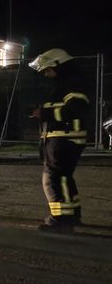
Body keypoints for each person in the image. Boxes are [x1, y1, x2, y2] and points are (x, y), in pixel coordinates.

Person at [29, 48, 89, 233]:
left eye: (48, 70)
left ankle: (61, 220)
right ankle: (72, 215)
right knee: (64, 178)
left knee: (53, 178)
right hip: (64, 138)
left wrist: (44, 113)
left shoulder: (71, 85)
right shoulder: (66, 84)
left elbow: (76, 109)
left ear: (59, 66)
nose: (46, 75)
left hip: (65, 139)